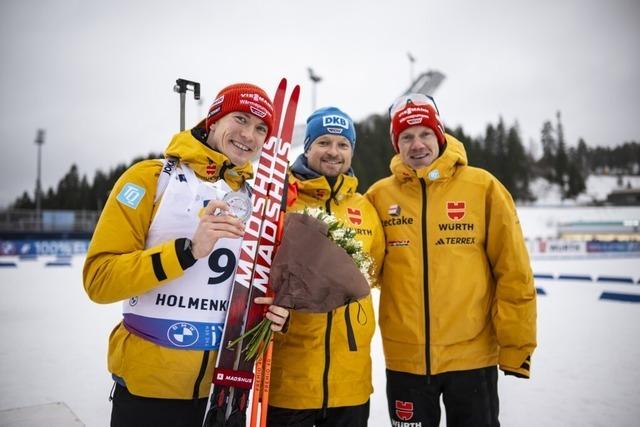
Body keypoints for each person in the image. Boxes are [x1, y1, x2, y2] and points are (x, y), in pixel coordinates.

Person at [83, 83, 290, 427]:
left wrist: (277, 311)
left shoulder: (260, 202)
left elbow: (258, 289)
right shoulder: (150, 179)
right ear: (213, 119)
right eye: (240, 119)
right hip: (150, 391)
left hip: (226, 391)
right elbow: (99, 280)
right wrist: (187, 251)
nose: (249, 135)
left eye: (260, 128)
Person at [365, 93, 537, 427]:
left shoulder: (483, 187)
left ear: (440, 134)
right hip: (406, 360)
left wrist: (517, 346)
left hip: (472, 358)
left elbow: (514, 272)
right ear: (396, 144)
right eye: (406, 136)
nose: (417, 144)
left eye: (425, 133)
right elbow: (364, 270)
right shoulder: (379, 196)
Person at [267, 107, 385, 426]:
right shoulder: (280, 200)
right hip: (288, 383)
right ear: (306, 147)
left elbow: (374, 274)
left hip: (350, 385)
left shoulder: (366, 209)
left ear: (351, 152)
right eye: (323, 142)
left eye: (343, 144)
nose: (333, 152)